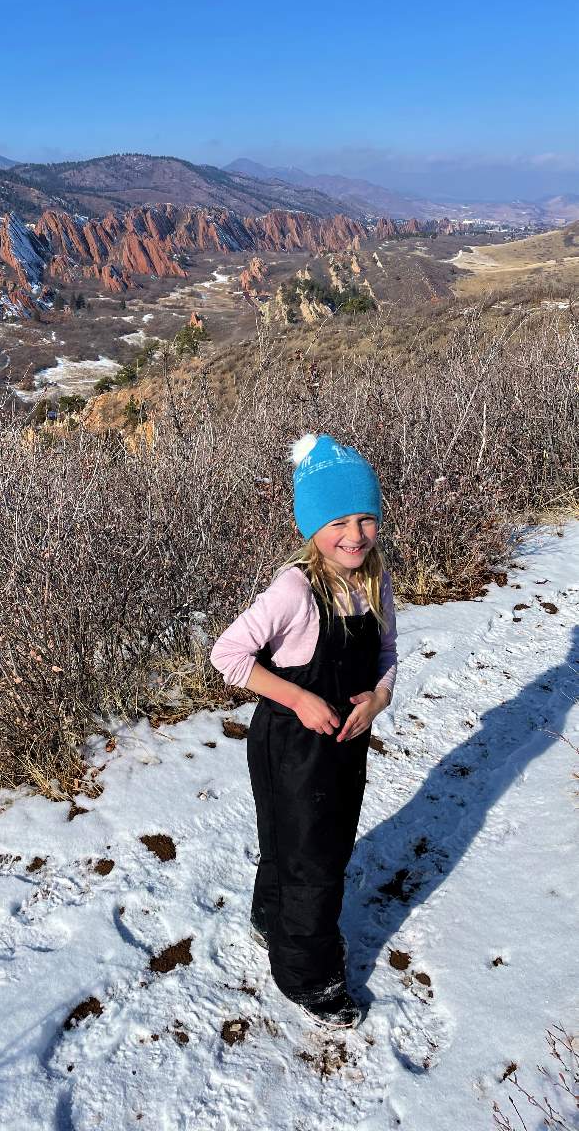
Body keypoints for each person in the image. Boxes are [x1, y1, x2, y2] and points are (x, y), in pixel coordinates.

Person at [210, 432, 397, 1030]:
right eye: (338, 519)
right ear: (311, 525)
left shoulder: (373, 580)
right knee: (312, 859)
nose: (355, 534)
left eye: (366, 518)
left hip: (346, 741)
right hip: (290, 745)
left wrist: (381, 697)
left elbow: (389, 649)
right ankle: (306, 978)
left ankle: (271, 916)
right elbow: (229, 654)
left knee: (311, 844)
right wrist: (299, 697)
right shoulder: (295, 589)